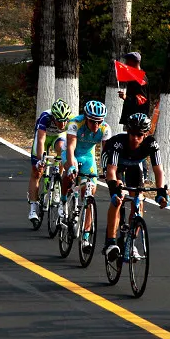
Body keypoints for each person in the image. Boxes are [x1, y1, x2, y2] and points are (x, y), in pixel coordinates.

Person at [101, 113, 169, 261]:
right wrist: (114, 190)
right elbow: (112, 171)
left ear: (145, 134)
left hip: (135, 164)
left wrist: (161, 193)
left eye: (139, 135)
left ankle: (131, 242)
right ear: (128, 131)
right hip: (114, 161)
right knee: (118, 198)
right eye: (132, 134)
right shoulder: (118, 143)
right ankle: (110, 242)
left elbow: (158, 170)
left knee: (138, 197)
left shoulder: (152, 144)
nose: (135, 138)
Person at [59, 101, 111, 249]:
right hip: (72, 154)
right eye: (93, 122)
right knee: (70, 175)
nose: (96, 126)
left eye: (99, 122)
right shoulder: (75, 123)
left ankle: (86, 236)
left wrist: (107, 171)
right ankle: (63, 201)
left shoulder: (105, 128)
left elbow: (106, 153)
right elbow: (70, 147)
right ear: (86, 118)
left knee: (89, 192)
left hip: (88, 157)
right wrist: (70, 167)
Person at [27, 98, 72, 227]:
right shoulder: (45, 118)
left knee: (63, 150)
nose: (62, 124)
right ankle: (33, 207)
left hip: (58, 138)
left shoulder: (71, 120)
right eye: (59, 121)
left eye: (64, 121)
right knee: (37, 172)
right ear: (53, 118)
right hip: (44, 137)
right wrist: (41, 160)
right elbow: (40, 140)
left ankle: (57, 186)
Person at [118, 52, 151, 131]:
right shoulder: (136, 76)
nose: (125, 64)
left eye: (127, 61)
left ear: (133, 62)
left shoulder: (140, 79)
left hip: (137, 121)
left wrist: (126, 98)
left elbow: (142, 100)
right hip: (132, 117)